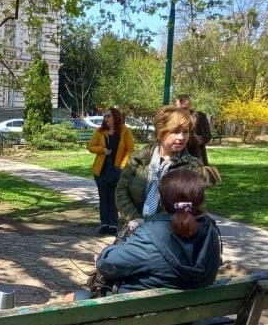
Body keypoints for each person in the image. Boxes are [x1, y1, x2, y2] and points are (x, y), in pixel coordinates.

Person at [87, 170, 221, 325]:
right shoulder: (210, 232)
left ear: (160, 198)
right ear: (200, 199)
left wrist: (104, 253)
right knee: (142, 300)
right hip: (183, 322)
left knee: (73, 300)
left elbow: (107, 264)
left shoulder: (150, 234)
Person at [115, 106, 209, 234]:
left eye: (185, 132)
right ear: (161, 132)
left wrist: (163, 223)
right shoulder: (139, 159)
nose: (181, 137)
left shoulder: (193, 167)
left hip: (169, 236)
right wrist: (134, 217)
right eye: (175, 131)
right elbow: (121, 191)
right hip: (134, 231)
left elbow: (195, 206)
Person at [87, 107, 135, 235]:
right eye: (105, 116)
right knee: (103, 197)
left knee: (114, 197)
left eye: (108, 116)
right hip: (101, 170)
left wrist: (122, 165)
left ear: (115, 117)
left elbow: (130, 150)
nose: (106, 119)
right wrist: (102, 149)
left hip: (117, 170)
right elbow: (90, 146)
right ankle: (104, 224)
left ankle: (113, 225)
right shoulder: (100, 131)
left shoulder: (125, 131)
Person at [176, 94, 212, 165]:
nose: (182, 111)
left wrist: (197, 139)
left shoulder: (200, 117)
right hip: (177, 156)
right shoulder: (174, 117)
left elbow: (208, 136)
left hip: (196, 155)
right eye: (179, 109)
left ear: (189, 106)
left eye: (185, 108)